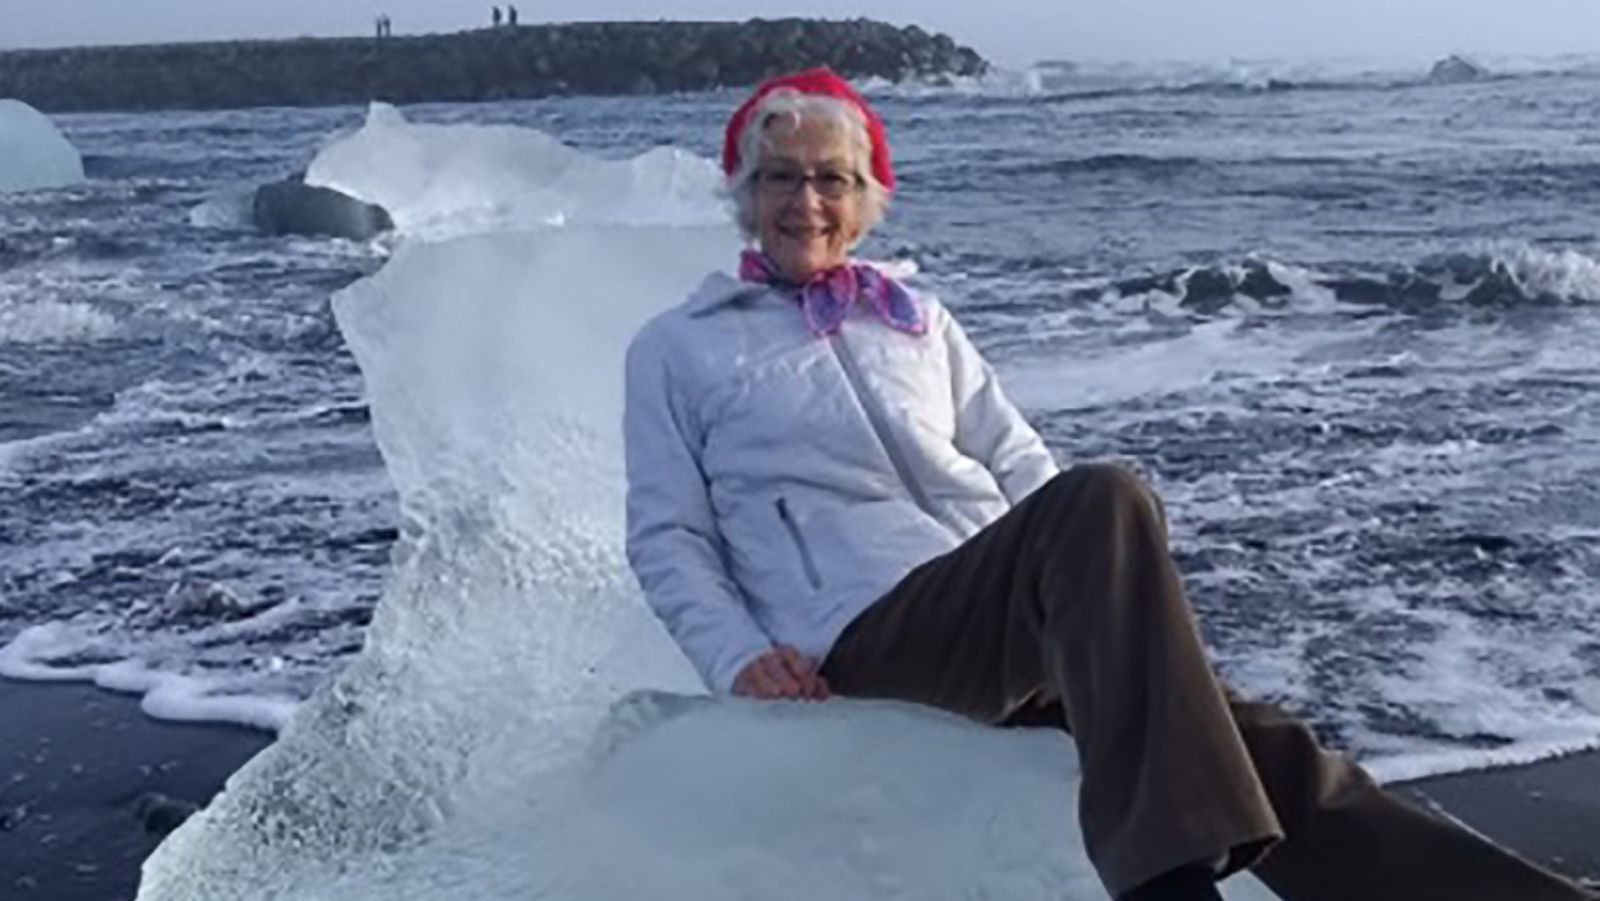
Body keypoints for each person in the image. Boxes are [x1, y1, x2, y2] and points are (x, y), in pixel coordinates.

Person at [621, 68, 1595, 901]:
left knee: (1261, 744)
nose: (807, 204)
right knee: (1106, 495)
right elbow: (669, 536)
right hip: (861, 636)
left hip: (1001, 620)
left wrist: (1075, 600)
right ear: (743, 194)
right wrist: (739, 655)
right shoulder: (680, 347)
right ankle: (1165, 884)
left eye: (832, 179)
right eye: (781, 178)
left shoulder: (915, 319)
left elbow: (1016, 461)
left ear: (868, 195)